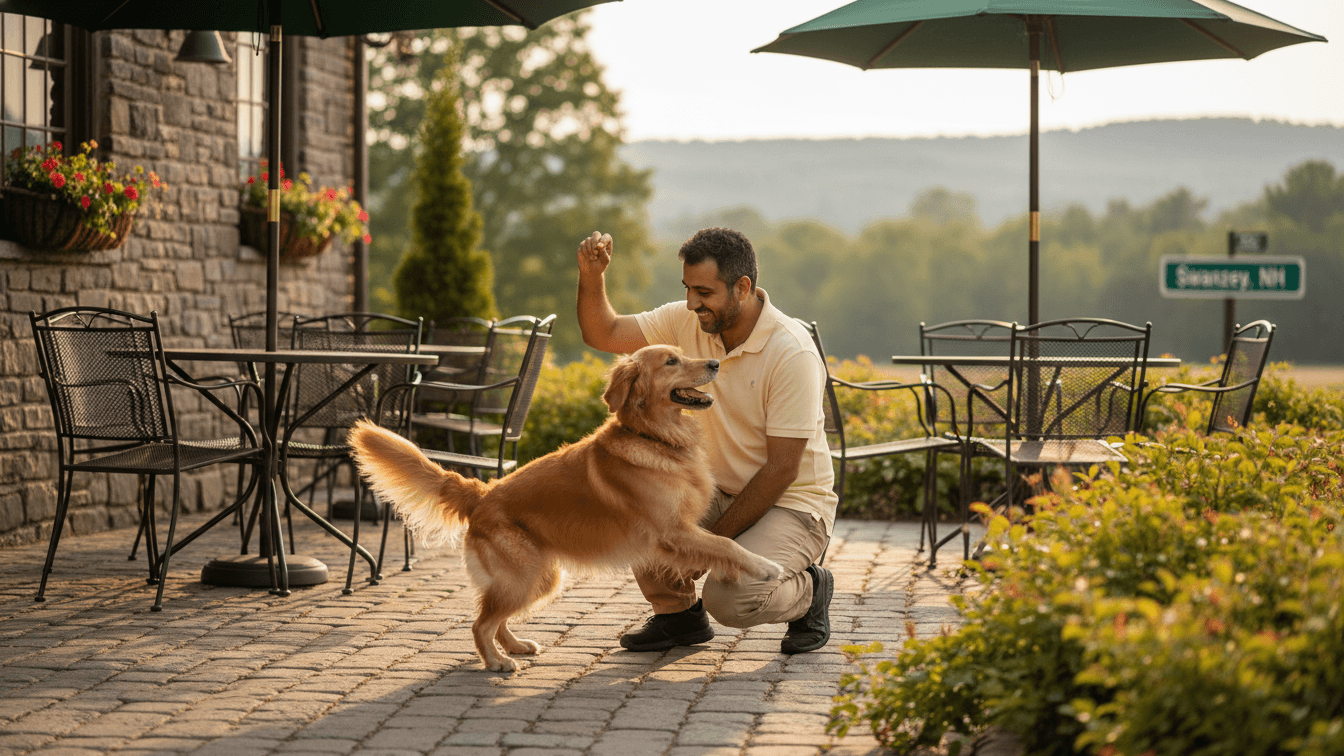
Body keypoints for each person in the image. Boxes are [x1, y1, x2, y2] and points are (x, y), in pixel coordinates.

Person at [575, 227, 838, 654]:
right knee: (642, 520)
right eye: (687, 289)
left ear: (743, 287)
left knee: (731, 599)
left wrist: (709, 545)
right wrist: (592, 276)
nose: (692, 302)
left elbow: (782, 470)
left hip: (793, 502)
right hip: (716, 492)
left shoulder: (792, 353)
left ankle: (810, 591)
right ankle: (677, 618)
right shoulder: (687, 320)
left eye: (704, 291)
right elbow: (602, 334)